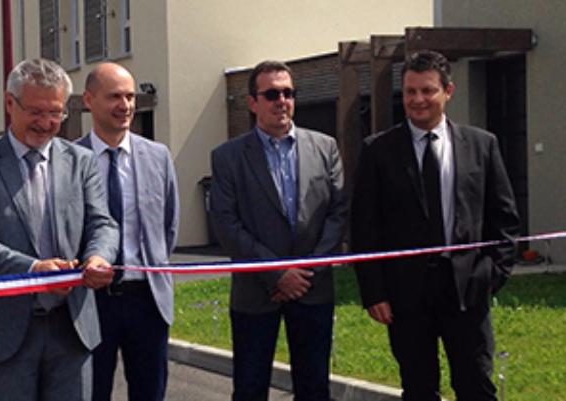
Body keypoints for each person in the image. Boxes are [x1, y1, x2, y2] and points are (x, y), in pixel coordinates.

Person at [351, 50, 520, 400]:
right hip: (406, 295)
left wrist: (492, 274)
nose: (418, 100)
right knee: (418, 388)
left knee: (476, 385)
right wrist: (374, 292)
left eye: (427, 90)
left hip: (467, 290)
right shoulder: (378, 151)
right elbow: (365, 227)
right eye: (410, 91)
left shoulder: (482, 145)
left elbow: (504, 219)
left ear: (448, 91)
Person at [0, 58, 119, 401]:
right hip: (5, 332)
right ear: (9, 103)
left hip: (71, 328)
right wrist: (33, 270)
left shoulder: (81, 160)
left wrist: (99, 257)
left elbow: (102, 223)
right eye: (36, 112)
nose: (45, 123)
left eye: (55, 113)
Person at [209, 60, 348, 401]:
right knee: (250, 389)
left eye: (288, 93)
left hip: (312, 289)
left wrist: (307, 272)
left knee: (314, 389)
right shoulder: (228, 157)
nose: (281, 101)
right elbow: (226, 222)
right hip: (256, 293)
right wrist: (276, 274)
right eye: (271, 94)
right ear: (252, 102)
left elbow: (338, 213)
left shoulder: (325, 147)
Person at [76, 62, 179, 401]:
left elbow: (168, 226)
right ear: (89, 100)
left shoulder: (158, 156)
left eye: (130, 97)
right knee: (91, 393)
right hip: (91, 301)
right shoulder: (69, 160)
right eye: (114, 97)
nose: (125, 105)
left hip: (147, 298)